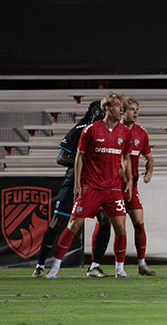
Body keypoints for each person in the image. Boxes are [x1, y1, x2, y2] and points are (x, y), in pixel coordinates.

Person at [45, 93, 133, 278]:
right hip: (91, 187)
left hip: (113, 189)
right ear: (107, 108)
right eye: (118, 106)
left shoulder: (125, 132)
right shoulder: (91, 130)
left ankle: (120, 269)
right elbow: (79, 157)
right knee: (73, 224)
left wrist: (130, 180)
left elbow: (125, 158)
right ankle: (54, 268)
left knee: (120, 227)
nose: (121, 110)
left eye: (122, 107)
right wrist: (77, 183)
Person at [31, 100, 103, 276]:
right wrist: (85, 165)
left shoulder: (107, 133)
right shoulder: (79, 131)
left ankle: (95, 266)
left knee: (106, 220)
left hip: (98, 183)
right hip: (74, 181)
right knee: (58, 222)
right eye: (103, 109)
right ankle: (40, 266)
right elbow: (61, 157)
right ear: (96, 112)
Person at [88, 96, 155, 276]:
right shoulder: (115, 131)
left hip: (131, 188)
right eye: (132, 109)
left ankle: (141, 264)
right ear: (122, 111)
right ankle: (103, 265)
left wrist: (149, 171)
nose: (135, 113)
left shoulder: (141, 133)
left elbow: (149, 157)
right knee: (108, 225)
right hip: (112, 187)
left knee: (139, 224)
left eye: (137, 110)